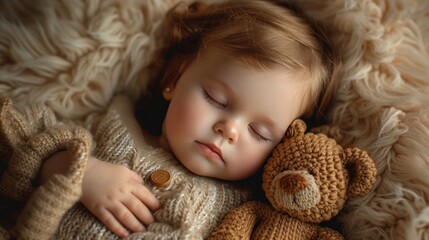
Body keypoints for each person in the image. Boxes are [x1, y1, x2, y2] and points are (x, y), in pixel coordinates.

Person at [37, 0, 340, 238]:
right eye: (215, 99)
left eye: (259, 132)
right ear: (175, 77)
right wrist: (79, 172)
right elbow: (24, 150)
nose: (229, 130)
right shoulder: (116, 124)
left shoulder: (241, 213)